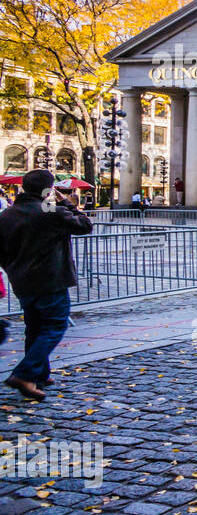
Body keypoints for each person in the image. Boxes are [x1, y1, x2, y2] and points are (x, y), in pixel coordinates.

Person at [0, 170, 93, 400]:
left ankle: (40, 374)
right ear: (48, 189)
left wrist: (14, 268)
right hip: (50, 280)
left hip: (22, 281)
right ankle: (25, 374)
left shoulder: (7, 214)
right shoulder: (48, 210)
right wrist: (67, 204)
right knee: (54, 326)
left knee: (34, 327)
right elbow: (84, 225)